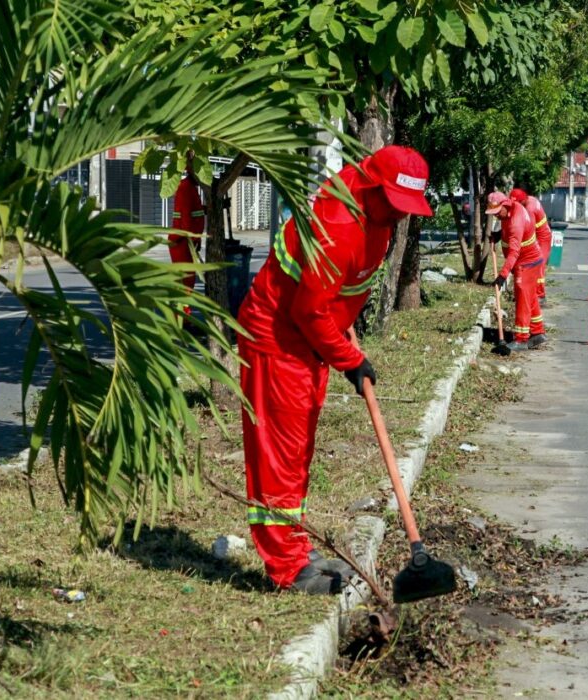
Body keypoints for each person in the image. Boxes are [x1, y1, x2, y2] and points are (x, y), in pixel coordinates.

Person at [237, 145, 433, 594]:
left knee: (297, 450)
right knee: (279, 455)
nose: (400, 215)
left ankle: (294, 545)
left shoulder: (371, 207)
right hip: (279, 340)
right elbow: (308, 310)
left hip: (311, 340)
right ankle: (287, 570)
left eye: (407, 207)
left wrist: (342, 333)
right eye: (394, 204)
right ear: (372, 187)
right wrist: (350, 359)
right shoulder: (339, 224)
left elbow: (333, 292)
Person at [485, 191, 544, 350]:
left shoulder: (515, 222)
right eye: (493, 213)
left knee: (522, 299)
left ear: (505, 205)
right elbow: (508, 226)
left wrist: (502, 275)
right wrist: (499, 234)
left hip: (527, 263)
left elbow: (513, 253)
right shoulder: (512, 209)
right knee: (530, 297)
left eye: (498, 212)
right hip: (527, 261)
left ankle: (521, 339)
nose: (496, 215)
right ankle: (537, 332)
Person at [169, 155, 206, 306]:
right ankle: (181, 315)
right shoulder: (185, 188)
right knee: (185, 281)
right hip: (181, 242)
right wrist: (195, 240)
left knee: (188, 280)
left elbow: (194, 212)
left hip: (185, 241)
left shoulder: (191, 188)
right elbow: (185, 219)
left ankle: (183, 313)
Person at [509, 187, 552, 310]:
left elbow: (528, 230)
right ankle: (527, 292)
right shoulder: (530, 199)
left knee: (538, 266)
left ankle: (540, 296)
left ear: (522, 201)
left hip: (542, 238)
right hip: (539, 236)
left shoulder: (529, 209)